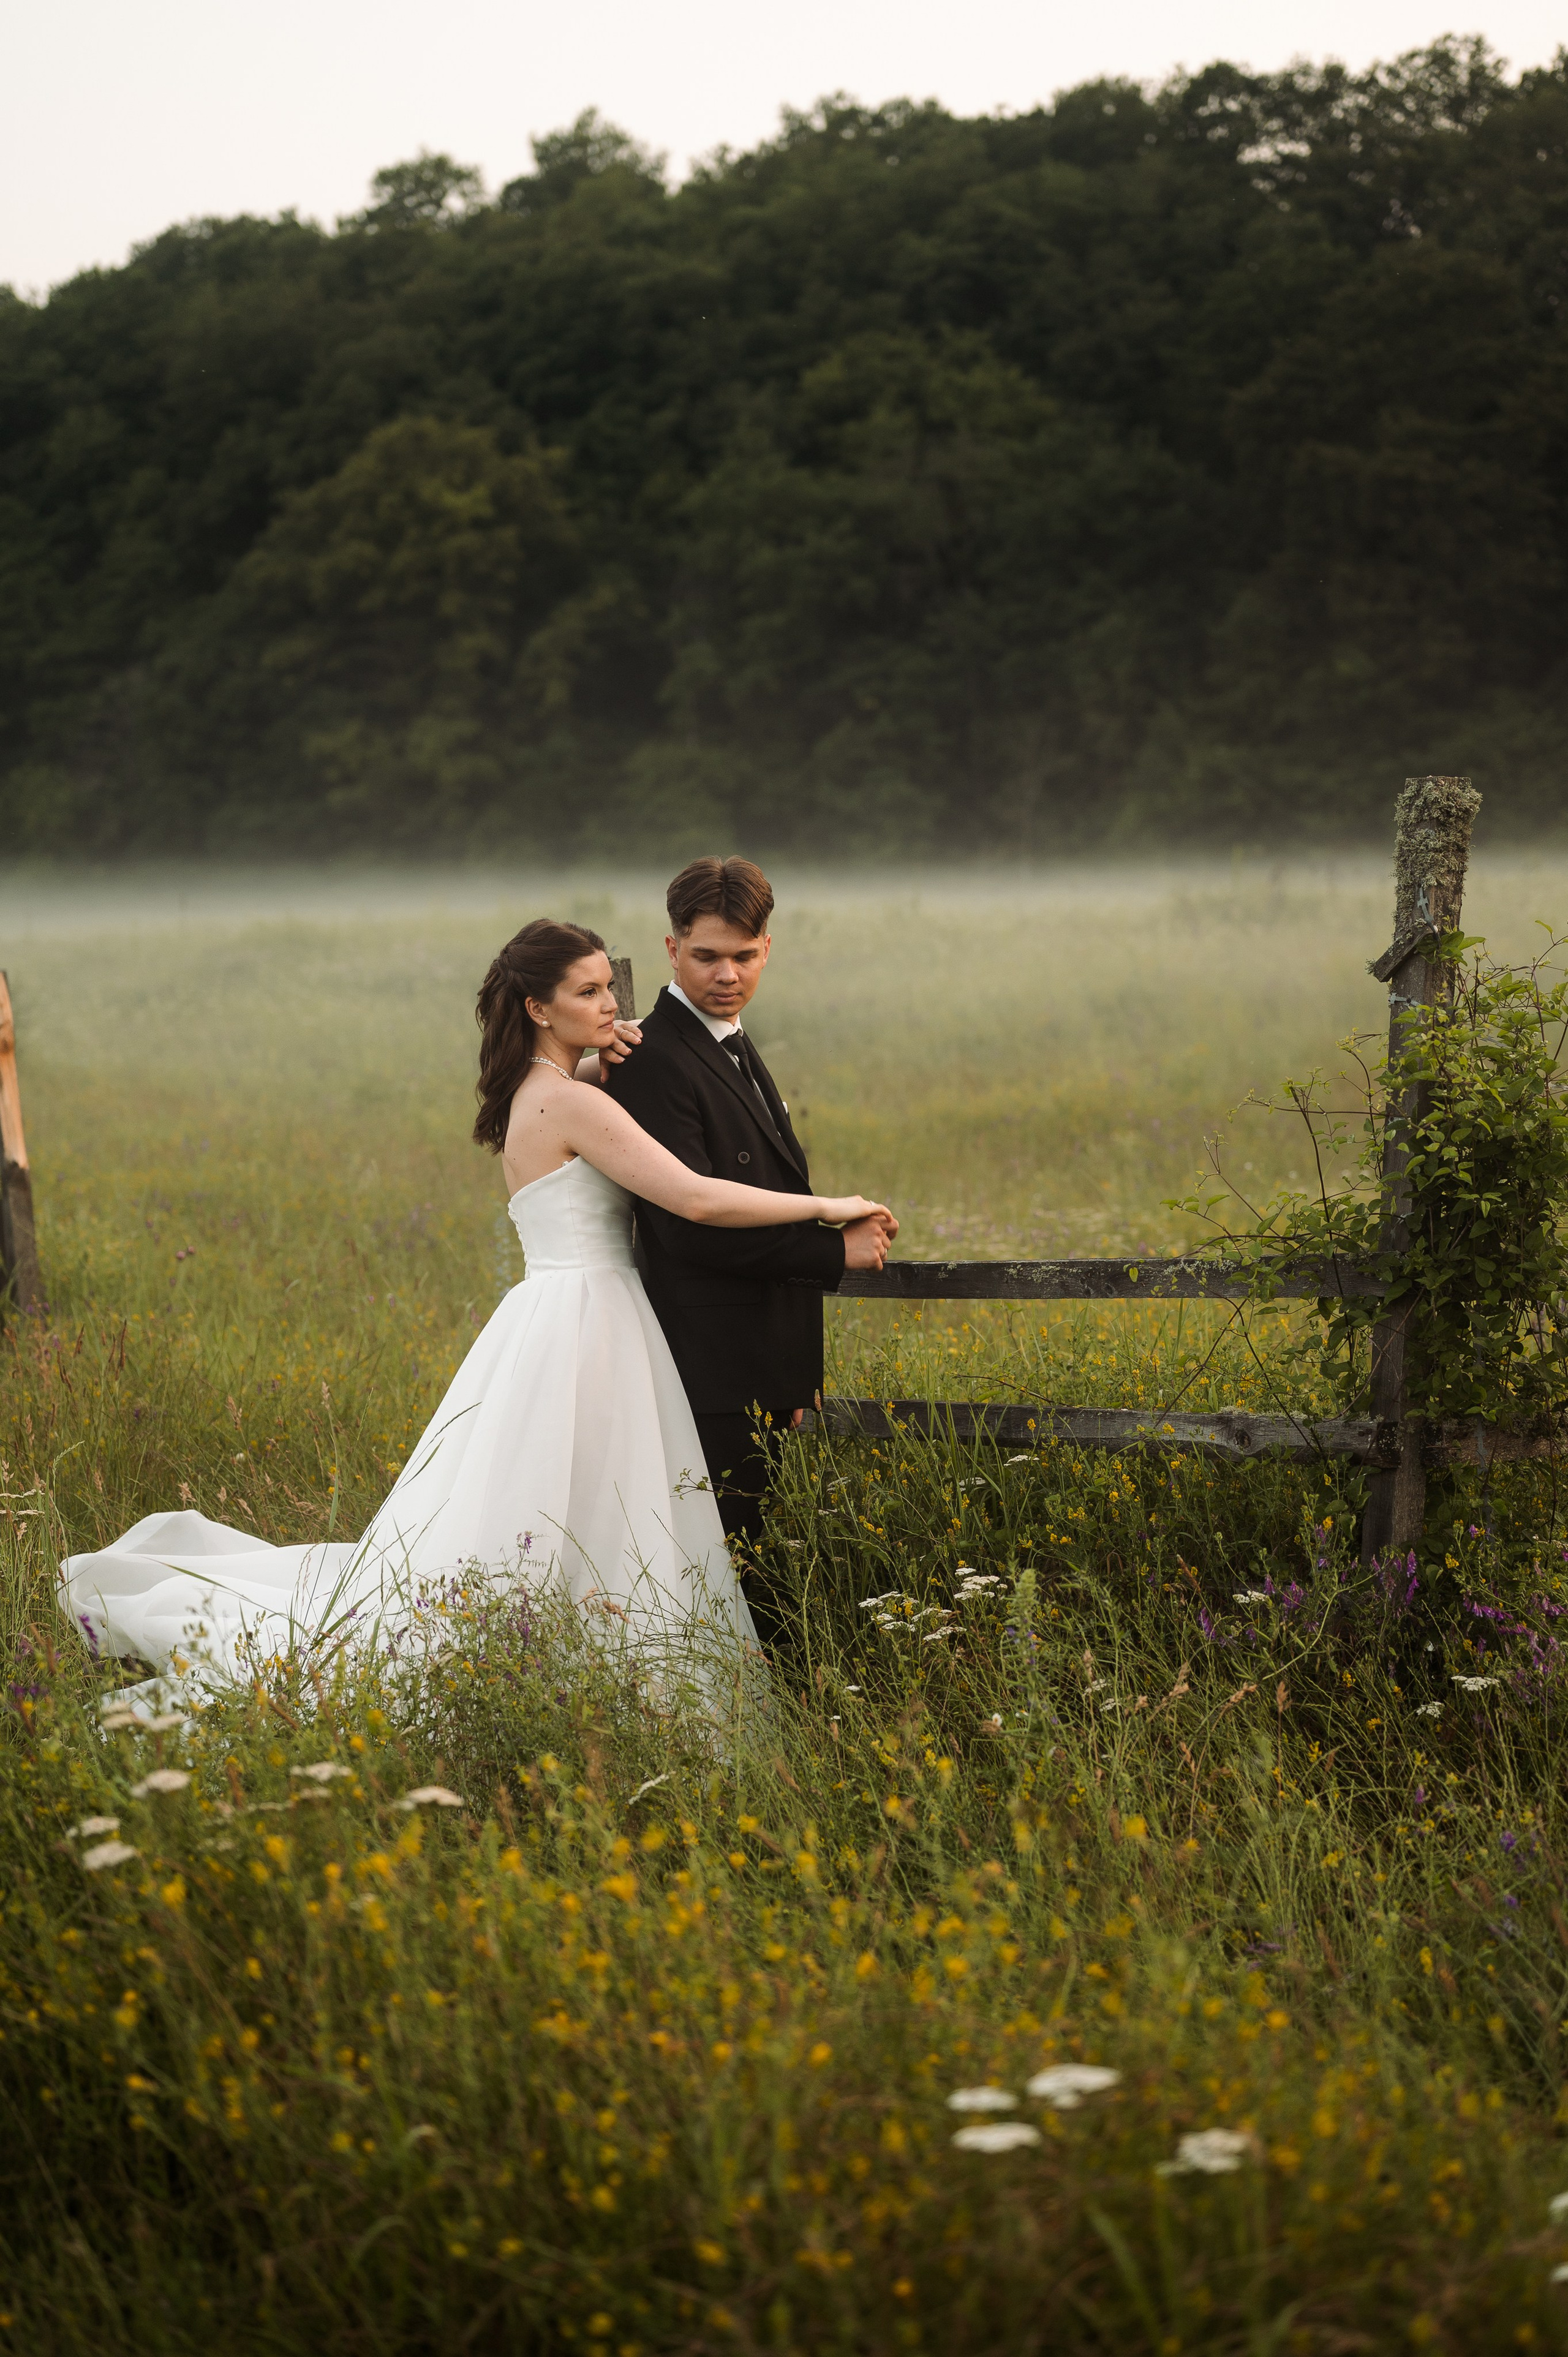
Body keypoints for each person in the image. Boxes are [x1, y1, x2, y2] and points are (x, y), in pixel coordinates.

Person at [59, 919, 896, 1702]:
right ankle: (582, 1668)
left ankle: (573, 1660)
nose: (611, 1006)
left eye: (611, 987)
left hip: (559, 1311)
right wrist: (828, 1206)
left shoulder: (548, 1089)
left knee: (574, 1504)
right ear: (538, 1008)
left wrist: (609, 1056)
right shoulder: (569, 1102)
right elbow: (694, 1198)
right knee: (592, 1502)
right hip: (590, 1317)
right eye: (589, 993)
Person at [605, 858, 892, 1653]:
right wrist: (833, 1255)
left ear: (768, 948)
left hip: (758, 1360)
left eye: (746, 954)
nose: (728, 974)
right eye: (707, 957)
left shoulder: (729, 1040)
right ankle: (753, 1721)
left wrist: (793, 1368)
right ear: (671, 949)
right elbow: (689, 1226)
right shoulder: (653, 1057)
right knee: (729, 1568)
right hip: (708, 1367)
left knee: (749, 1555)